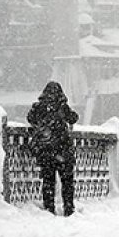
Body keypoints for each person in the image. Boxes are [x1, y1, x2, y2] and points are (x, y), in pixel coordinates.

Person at [26, 81, 80, 216]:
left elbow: (30, 118)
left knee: (48, 182)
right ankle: (69, 208)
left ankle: (49, 208)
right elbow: (74, 118)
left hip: (46, 151)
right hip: (63, 150)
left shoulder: (39, 107)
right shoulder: (62, 107)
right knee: (67, 182)